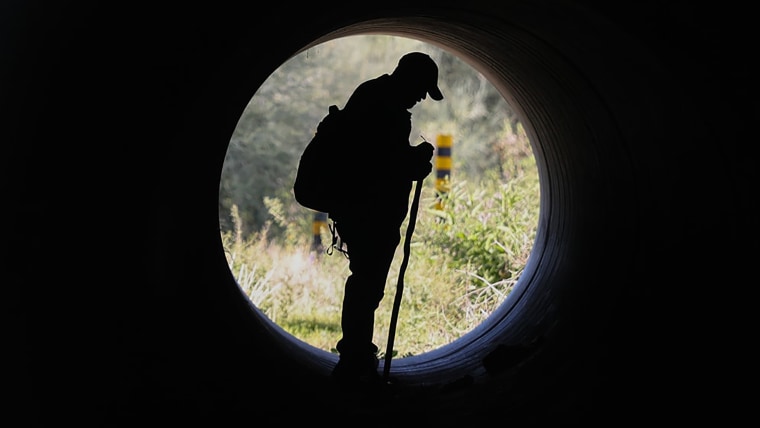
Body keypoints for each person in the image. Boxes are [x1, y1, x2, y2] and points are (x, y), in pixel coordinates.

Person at [327, 52, 444, 385]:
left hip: (365, 212)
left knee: (366, 283)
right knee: (366, 285)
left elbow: (379, 158)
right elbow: (379, 165)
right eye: (422, 88)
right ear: (407, 78)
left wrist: (409, 159)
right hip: (370, 215)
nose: (422, 97)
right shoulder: (385, 109)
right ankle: (354, 358)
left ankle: (357, 354)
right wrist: (416, 161)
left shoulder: (374, 97)